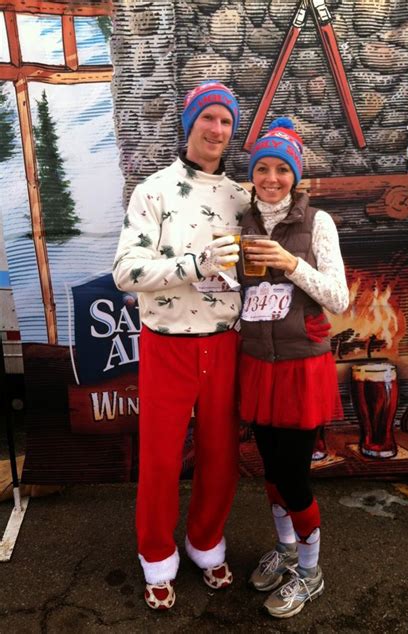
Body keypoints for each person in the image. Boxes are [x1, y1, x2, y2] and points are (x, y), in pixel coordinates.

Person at [112, 81, 250, 610]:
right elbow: (125, 272)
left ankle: (207, 543)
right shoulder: (154, 191)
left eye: (225, 121)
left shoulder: (242, 198)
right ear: (190, 123)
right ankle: (156, 555)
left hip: (225, 344)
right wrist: (195, 265)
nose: (217, 129)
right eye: (208, 118)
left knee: (221, 457)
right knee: (161, 459)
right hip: (167, 344)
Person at [237, 117, 349, 619]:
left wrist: (290, 262)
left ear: (295, 175)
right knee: (270, 470)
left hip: (301, 366)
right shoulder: (241, 221)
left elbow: (339, 298)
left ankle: (310, 570)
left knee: (294, 476)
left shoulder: (318, 222)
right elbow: (237, 293)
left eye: (282, 169)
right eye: (263, 168)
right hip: (258, 362)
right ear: (252, 174)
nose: (272, 178)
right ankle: (285, 550)